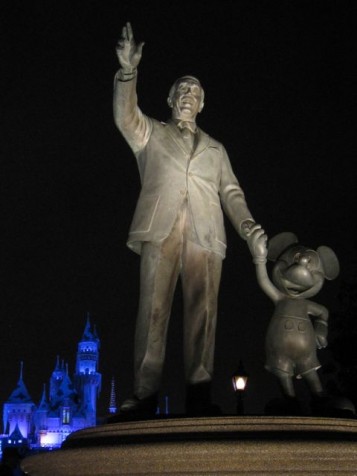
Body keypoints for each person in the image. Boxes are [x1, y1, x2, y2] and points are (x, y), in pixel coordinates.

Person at [113, 22, 263, 416]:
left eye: (194, 92)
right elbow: (125, 117)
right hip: (160, 227)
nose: (187, 95)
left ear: (202, 104)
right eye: (181, 90)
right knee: (153, 310)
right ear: (169, 98)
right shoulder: (151, 134)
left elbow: (231, 192)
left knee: (204, 312)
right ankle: (144, 394)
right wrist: (128, 72)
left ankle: (198, 391)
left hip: (206, 233)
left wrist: (248, 229)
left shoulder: (216, 149)